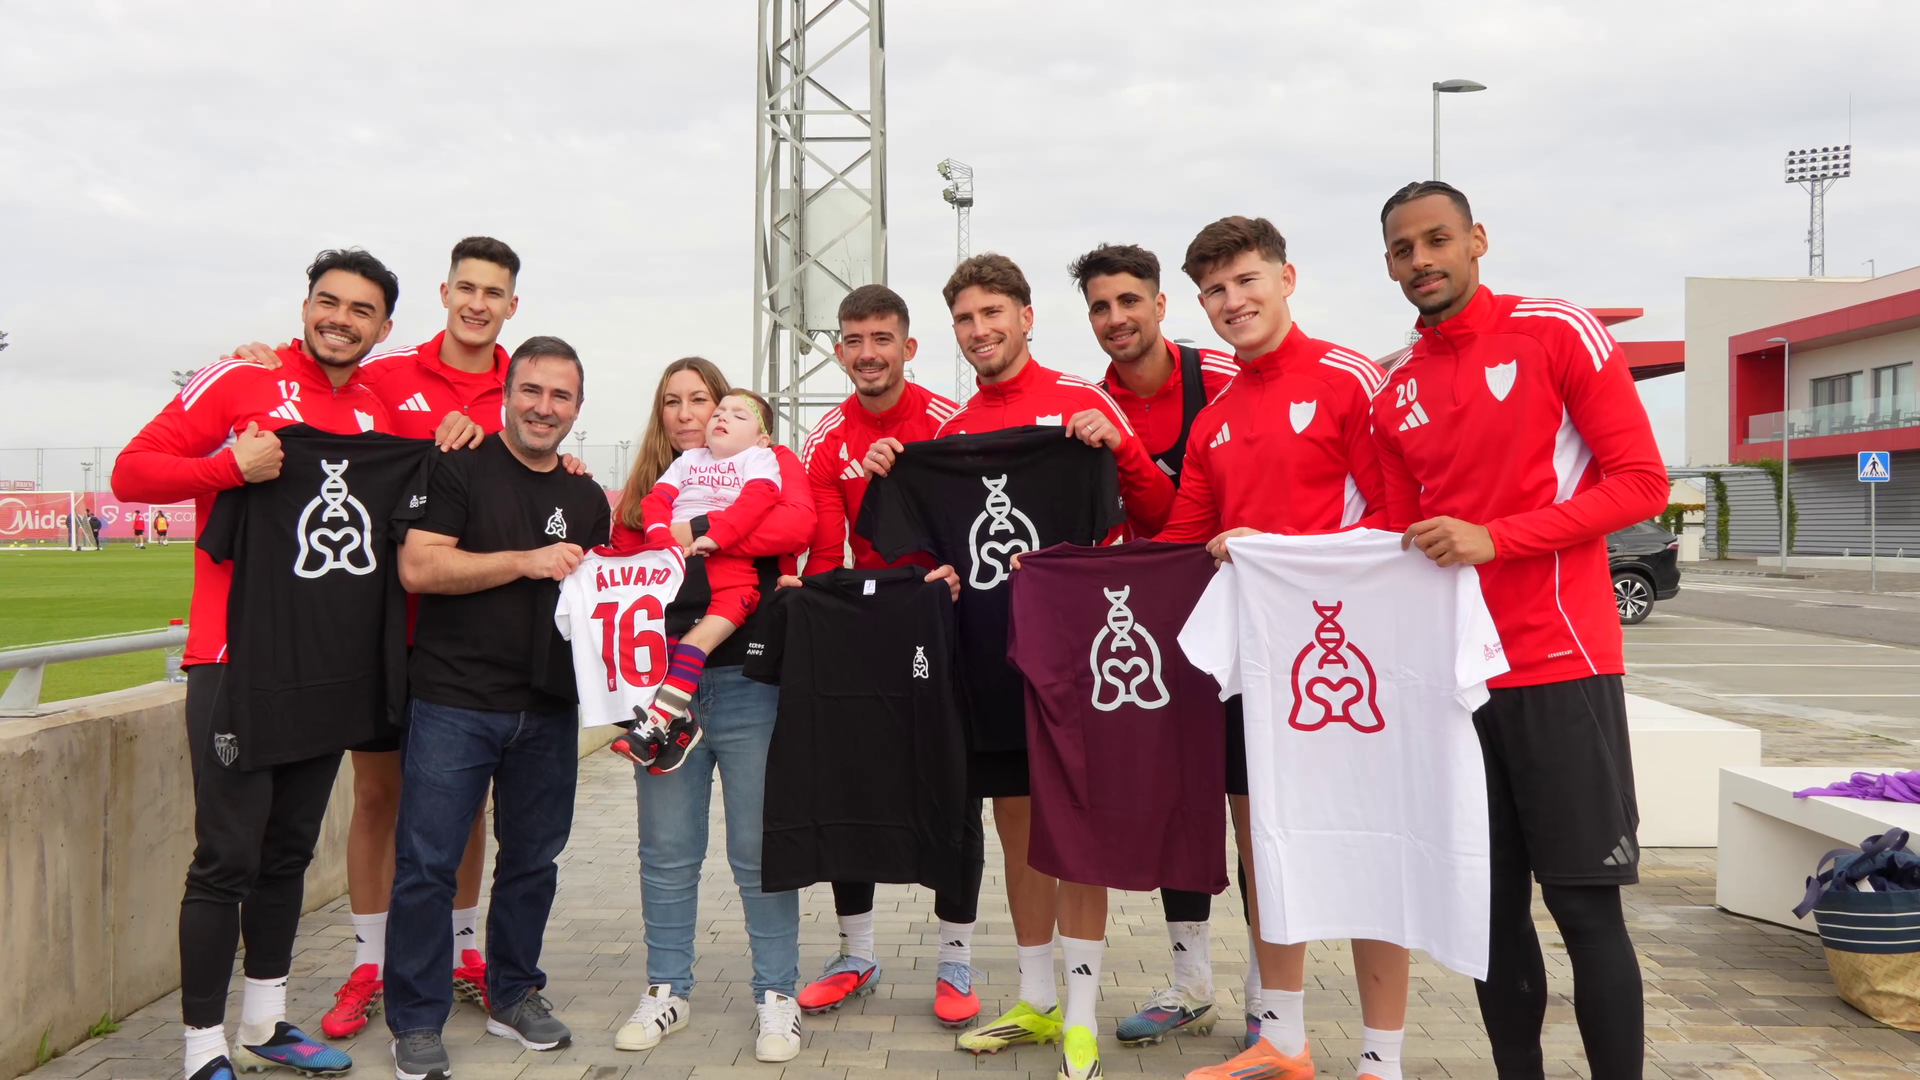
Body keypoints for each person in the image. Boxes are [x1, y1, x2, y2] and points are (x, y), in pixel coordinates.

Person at [1374, 181, 1667, 1080]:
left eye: (1436, 240)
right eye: (1402, 249)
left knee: (1584, 913)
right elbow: (1387, 543)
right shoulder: (1394, 387)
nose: (1421, 260)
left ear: (1477, 241)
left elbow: (1639, 484)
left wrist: (1494, 539)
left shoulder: (1555, 330)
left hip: (1559, 665)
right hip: (1456, 687)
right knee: (1491, 916)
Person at [860, 253, 1174, 1072]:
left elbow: (1161, 517)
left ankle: (1079, 1011)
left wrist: (1125, 451)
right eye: (966, 319)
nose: (980, 331)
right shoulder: (952, 433)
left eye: (993, 314)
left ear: (1027, 317)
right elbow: (921, 554)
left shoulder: (1081, 404)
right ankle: (1035, 998)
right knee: (1018, 830)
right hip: (989, 662)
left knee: (1075, 835)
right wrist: (896, 485)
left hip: (1075, 665)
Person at [111, 247, 404, 1080]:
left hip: (329, 671)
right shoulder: (239, 381)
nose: (339, 319)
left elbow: (452, 468)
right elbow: (134, 470)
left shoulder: (383, 409)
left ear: (383, 327)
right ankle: (202, 1046)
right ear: (305, 305)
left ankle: (268, 1023)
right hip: (236, 662)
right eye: (327, 302)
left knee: (288, 854)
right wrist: (225, 467)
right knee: (226, 857)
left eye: (359, 310)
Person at [234, 236, 526, 1035]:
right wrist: (260, 360)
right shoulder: (386, 375)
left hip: (471, 631)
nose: (477, 303)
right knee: (378, 794)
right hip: (379, 626)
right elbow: (309, 390)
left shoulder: (524, 388)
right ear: (444, 292)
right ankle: (371, 962)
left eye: (492, 292)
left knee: (467, 806)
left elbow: (541, 475)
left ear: (511, 305)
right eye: (465, 287)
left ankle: (464, 951)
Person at [1157, 216, 1404, 1080]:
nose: (1234, 302)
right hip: (1258, 665)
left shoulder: (1349, 378)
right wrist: (1078, 576)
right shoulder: (1216, 416)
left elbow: (1395, 519)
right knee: (1271, 845)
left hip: (1350, 666)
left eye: (1247, 281)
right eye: (1216, 292)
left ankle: (1383, 1058)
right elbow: (1185, 541)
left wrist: (1275, 548)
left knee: (1373, 848)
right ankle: (1285, 1038)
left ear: (1287, 278)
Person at [386, 336, 611, 1080]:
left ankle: (514, 993)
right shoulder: (460, 464)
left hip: (547, 710)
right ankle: (415, 1021)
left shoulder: (585, 495)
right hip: (455, 700)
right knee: (426, 865)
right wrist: (524, 562)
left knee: (533, 861)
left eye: (562, 396)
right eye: (533, 391)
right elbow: (418, 567)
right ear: (506, 394)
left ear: (578, 407)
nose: (545, 408)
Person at [1064, 243, 1249, 1052]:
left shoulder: (1225, 380)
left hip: (1243, 623)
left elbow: (1196, 509)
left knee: (1251, 813)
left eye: (1129, 301)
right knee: (1177, 802)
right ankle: (1191, 982)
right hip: (1147, 630)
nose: (1116, 320)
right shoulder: (1083, 406)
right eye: (1101, 307)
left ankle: (1274, 1003)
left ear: (1162, 304)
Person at [781, 284, 981, 1027]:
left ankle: (957, 960)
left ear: (908, 346)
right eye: (855, 341)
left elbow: (970, 531)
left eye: (882, 339)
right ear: (839, 350)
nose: (869, 354)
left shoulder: (948, 423)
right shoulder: (826, 437)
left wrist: (954, 571)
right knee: (852, 783)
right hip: (866, 631)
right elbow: (823, 545)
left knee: (955, 789)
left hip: (944, 625)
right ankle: (856, 952)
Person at [607, 358, 817, 1064]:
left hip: (750, 684)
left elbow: (795, 523)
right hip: (665, 692)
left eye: (703, 398)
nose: (689, 411)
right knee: (666, 852)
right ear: (660, 415)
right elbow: (627, 568)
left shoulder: (767, 457)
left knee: (758, 851)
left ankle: (777, 996)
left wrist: (703, 533)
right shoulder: (648, 490)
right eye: (673, 401)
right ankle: (667, 987)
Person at [609, 389, 783, 773]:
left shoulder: (760, 459)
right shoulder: (689, 459)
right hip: (680, 575)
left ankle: (654, 723)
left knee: (693, 646)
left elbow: (758, 501)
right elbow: (656, 500)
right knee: (663, 647)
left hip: (733, 583)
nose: (723, 417)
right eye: (720, 411)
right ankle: (680, 723)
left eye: (739, 416)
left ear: (761, 437)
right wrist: (661, 539)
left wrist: (716, 533)